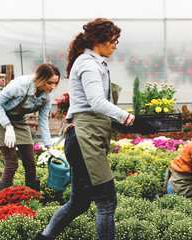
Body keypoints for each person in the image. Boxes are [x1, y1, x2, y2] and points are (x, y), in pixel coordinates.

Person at [34, 18, 134, 240]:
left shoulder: (93, 62)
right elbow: (97, 102)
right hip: (83, 140)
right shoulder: (88, 64)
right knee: (107, 202)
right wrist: (126, 117)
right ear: (100, 40)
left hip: (81, 138)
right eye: (114, 41)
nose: (116, 46)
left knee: (78, 203)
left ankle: (43, 238)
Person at [0, 63, 61, 193]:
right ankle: (2, 200)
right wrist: (8, 127)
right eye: (50, 83)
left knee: (30, 163)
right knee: (11, 163)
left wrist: (49, 147)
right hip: (0, 119)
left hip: (19, 120)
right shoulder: (20, 85)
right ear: (41, 78)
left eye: (55, 83)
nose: (53, 87)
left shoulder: (47, 95)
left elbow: (43, 120)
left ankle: (32, 197)